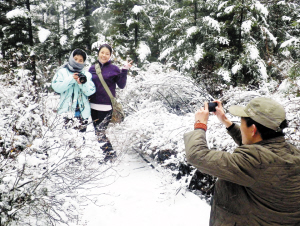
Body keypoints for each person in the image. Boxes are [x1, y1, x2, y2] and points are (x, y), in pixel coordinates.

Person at [184, 97, 300, 225]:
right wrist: (226, 122)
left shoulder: (255, 161)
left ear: (253, 129)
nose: (240, 125)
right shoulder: (292, 153)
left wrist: (200, 124)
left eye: (241, 122)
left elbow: (197, 155)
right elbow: (259, 146)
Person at [88, 44, 132, 156]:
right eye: (102, 52)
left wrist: (125, 70)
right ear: (98, 53)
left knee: (100, 132)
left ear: (110, 55)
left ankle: (110, 154)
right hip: (93, 106)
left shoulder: (114, 69)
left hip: (106, 107)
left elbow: (121, 85)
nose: (104, 55)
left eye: (107, 53)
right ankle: (109, 153)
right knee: (98, 132)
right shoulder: (92, 68)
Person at [52, 49, 96, 132]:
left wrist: (82, 83)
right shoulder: (62, 72)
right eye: (75, 59)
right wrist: (71, 79)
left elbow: (91, 91)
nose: (77, 62)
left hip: (82, 112)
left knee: (80, 139)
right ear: (71, 58)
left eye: (80, 60)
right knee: (66, 139)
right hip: (66, 112)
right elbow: (57, 87)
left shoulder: (87, 74)